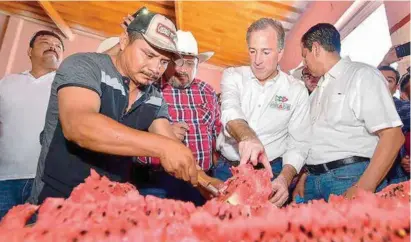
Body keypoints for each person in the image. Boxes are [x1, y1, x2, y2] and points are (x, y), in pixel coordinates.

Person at [28, 8, 198, 205]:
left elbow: (173, 147)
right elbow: (79, 126)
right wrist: (161, 146)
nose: (155, 69)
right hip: (54, 201)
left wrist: (211, 184)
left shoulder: (155, 98)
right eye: (148, 55)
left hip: (109, 210)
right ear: (124, 41)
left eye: (163, 62)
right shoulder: (84, 65)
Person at [297, 23, 404, 202]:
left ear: (315, 49)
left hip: (348, 177)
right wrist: (304, 176)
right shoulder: (317, 91)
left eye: (304, 56)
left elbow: (393, 136)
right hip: (313, 181)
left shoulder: (361, 75)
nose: (304, 63)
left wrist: (364, 187)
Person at [215, 18, 311, 207]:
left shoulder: (296, 90)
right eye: (253, 51)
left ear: (280, 53)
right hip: (227, 169)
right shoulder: (233, 75)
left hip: (271, 173)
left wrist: (285, 178)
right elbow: (230, 109)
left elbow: (299, 144)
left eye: (266, 52)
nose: (257, 60)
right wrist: (248, 137)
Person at [138, 31, 221, 205]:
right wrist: (163, 135)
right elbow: (129, 135)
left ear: (198, 65)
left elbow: (216, 131)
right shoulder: (146, 88)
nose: (182, 70)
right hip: (156, 183)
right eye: (177, 62)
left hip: (204, 183)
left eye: (190, 64)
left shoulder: (208, 91)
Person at [0, 30, 64, 218]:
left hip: (48, 181)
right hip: (4, 179)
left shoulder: (67, 86)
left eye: (58, 46)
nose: (53, 46)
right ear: (29, 51)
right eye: (45, 42)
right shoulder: (6, 83)